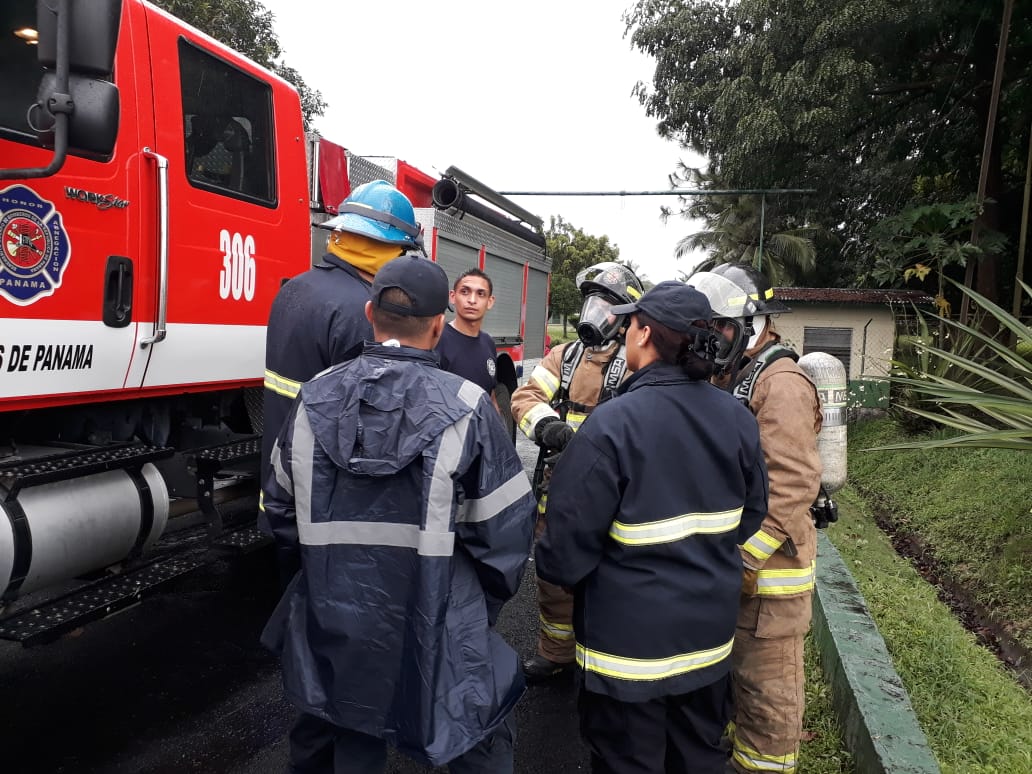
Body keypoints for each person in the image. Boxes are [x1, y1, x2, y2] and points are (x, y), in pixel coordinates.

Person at [260, 254, 535, 773]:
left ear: (369, 312)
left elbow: (280, 510)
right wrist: (471, 611)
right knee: (477, 728)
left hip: (335, 616)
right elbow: (504, 534)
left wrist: (326, 581)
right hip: (440, 615)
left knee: (343, 729)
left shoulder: (313, 398)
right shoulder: (469, 407)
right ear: (439, 323)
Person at [535, 281, 769, 774]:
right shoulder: (737, 418)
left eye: (631, 325)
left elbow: (562, 553)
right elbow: (751, 513)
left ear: (643, 335)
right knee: (699, 758)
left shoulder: (611, 425)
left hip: (626, 657)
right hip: (707, 647)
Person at [689, 263, 823, 774]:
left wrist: (744, 562)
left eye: (720, 326)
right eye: (707, 326)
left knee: (768, 702)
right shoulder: (736, 374)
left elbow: (791, 486)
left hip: (771, 586)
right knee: (734, 690)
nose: (712, 337)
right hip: (735, 576)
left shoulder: (781, 384)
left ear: (753, 324)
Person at [260, 179, 423, 585]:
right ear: (393, 249)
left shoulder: (293, 289)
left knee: (290, 607)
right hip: (329, 504)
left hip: (281, 488)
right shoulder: (364, 311)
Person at [509, 261, 644, 683]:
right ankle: (557, 654)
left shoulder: (638, 361)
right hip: (558, 489)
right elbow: (527, 395)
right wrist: (547, 425)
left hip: (613, 495)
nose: (595, 312)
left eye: (607, 305)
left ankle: (606, 664)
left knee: (609, 579)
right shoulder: (564, 357)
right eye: (592, 302)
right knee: (553, 577)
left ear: (625, 317)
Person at [436, 268, 499, 406]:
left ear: (490, 301)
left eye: (480, 294)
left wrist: (497, 426)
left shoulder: (488, 343)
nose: (472, 300)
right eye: (465, 292)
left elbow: (490, 395)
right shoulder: (436, 339)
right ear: (452, 296)